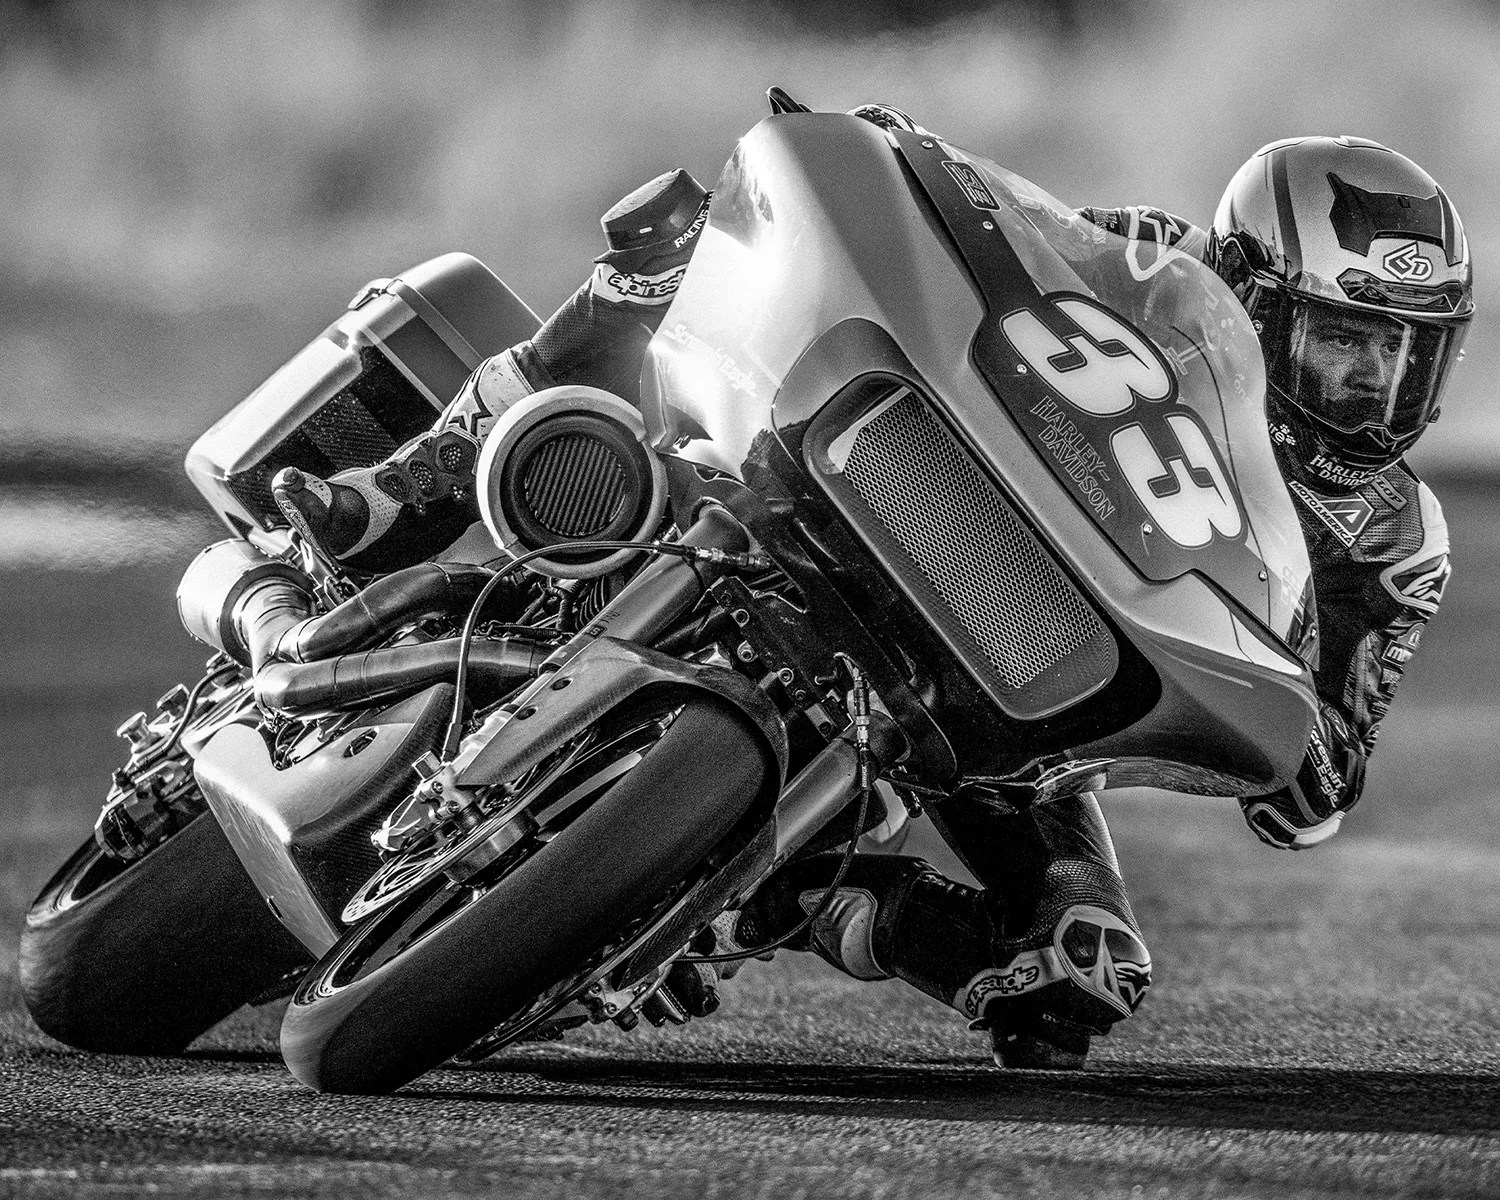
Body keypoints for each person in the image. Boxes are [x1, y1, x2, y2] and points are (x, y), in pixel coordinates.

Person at [273, 119, 1470, 1070]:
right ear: (1257, 297)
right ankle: (398, 490)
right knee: (677, 243)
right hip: (921, 500)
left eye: (1406, 354)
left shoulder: (1399, 537)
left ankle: (796, 899)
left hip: (1028, 682)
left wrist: (1302, 727)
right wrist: (899, 163)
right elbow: (975, 237)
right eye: (1344, 342)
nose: (1374, 383)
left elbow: (1315, 791)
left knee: (1084, 965)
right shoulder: (1164, 269)